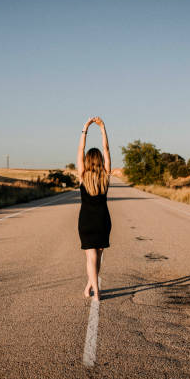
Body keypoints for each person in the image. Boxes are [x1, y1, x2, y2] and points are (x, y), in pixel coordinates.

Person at [77, 117, 111, 301]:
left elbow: (80, 150)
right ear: (100, 161)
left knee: (90, 257)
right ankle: (92, 286)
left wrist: (85, 129)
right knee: (97, 256)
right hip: (103, 220)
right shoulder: (105, 176)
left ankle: (93, 289)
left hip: (86, 221)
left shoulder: (83, 175)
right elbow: (106, 149)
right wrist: (102, 128)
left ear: (88, 161)